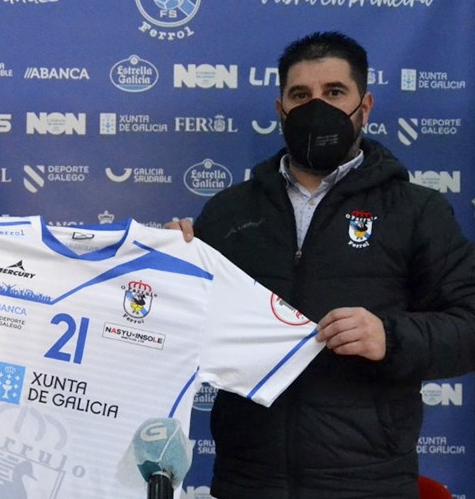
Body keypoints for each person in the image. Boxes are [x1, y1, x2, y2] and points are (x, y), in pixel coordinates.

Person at [167, 31, 475, 497]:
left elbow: (469, 326)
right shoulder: (228, 212)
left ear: (364, 106)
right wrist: (165, 266)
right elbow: (180, 329)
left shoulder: (417, 211)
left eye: (334, 93)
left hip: (369, 482)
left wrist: (389, 337)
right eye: (300, 95)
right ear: (281, 109)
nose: (317, 107)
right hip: (248, 481)